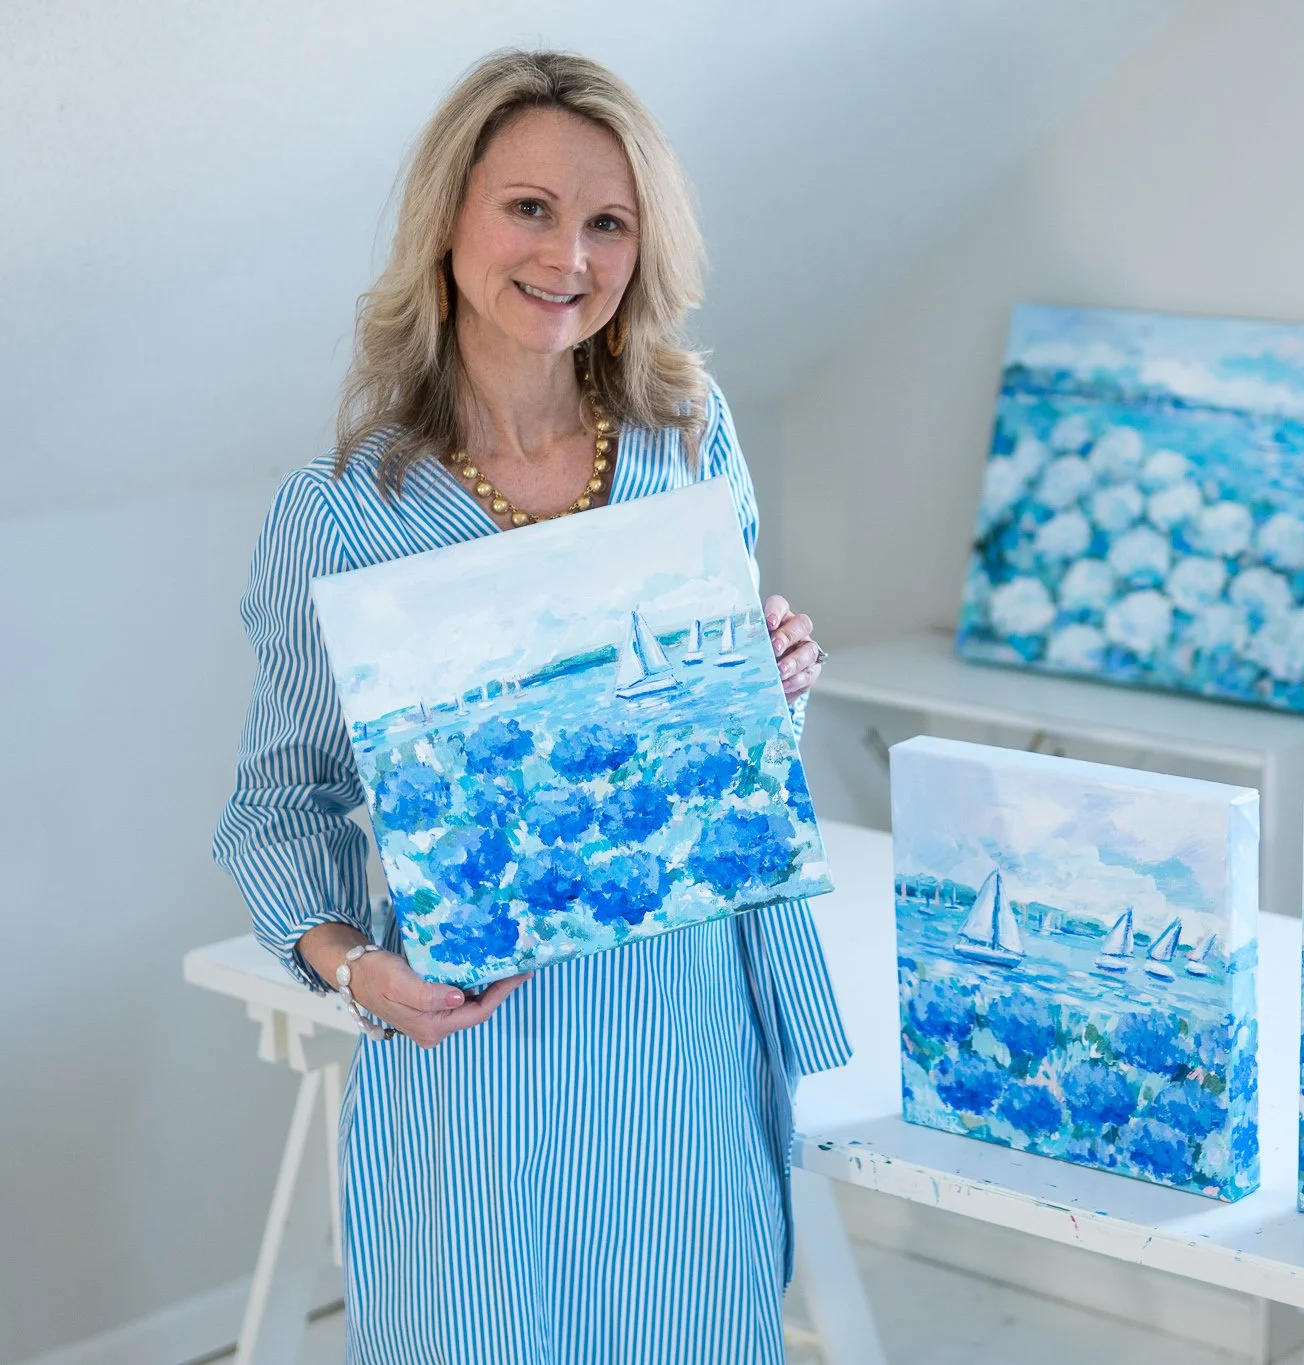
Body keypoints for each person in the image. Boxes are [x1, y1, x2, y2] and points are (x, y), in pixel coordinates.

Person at [212, 50, 847, 1364]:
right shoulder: (339, 516)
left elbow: (710, 765)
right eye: (530, 209)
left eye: (609, 220)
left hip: (686, 1034)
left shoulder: (688, 435)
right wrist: (355, 970)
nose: (570, 256)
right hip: (478, 1055)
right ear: (448, 220)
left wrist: (768, 681)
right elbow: (280, 806)